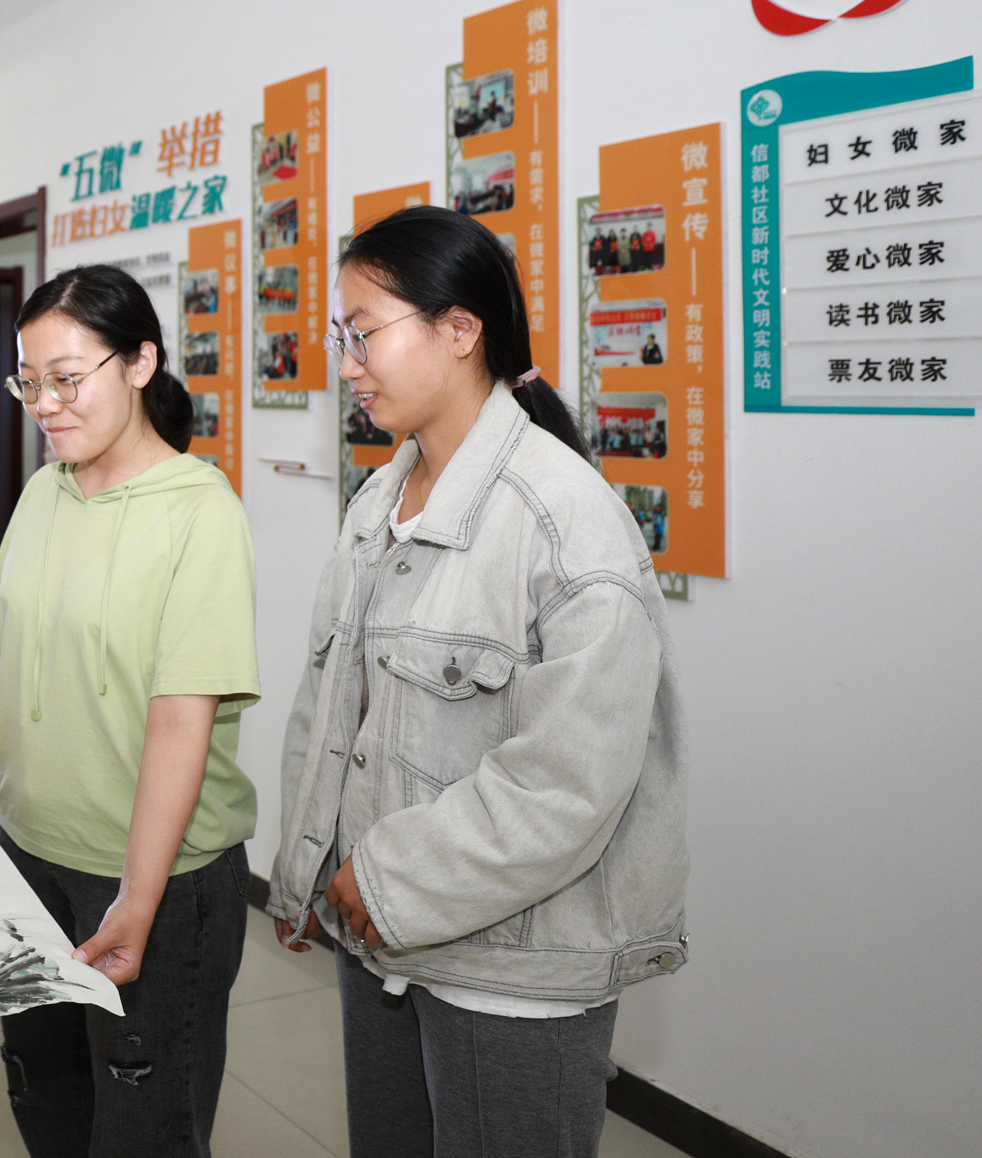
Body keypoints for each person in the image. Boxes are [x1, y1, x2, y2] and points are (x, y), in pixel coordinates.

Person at [267, 207, 687, 1158]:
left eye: (365, 332)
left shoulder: (565, 520)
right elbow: (330, 709)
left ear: (460, 330)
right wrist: (309, 868)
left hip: (509, 971)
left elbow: (567, 782)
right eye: (341, 336)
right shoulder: (380, 499)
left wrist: (383, 878)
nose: (348, 364)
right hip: (379, 932)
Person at [0, 263, 260, 1158]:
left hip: (154, 880)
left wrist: (139, 897)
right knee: (48, 1096)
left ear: (140, 362)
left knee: (146, 1126)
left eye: (68, 379)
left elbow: (182, 718)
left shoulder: (200, 513)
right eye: (29, 382)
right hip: (29, 854)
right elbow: (9, 641)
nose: (45, 405)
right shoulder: (45, 492)